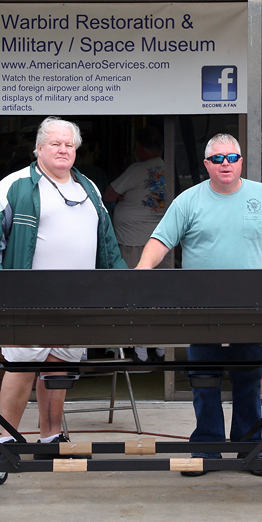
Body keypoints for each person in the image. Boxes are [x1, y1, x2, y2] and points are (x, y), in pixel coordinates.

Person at [136, 133, 262, 476]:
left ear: (241, 161)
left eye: (232, 158)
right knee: (203, 378)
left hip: (251, 307)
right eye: (218, 158)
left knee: (248, 379)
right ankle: (206, 447)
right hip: (201, 307)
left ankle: (250, 446)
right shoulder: (188, 201)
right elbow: (161, 239)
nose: (226, 164)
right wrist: (142, 271)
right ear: (207, 164)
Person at [0, 116, 127, 454]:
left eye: (69, 144)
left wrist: (121, 282)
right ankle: (4, 437)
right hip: (28, 298)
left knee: (60, 365)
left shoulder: (89, 188)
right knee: (21, 365)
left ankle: (51, 436)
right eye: (55, 143)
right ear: (38, 148)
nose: (62, 149)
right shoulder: (15, 185)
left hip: (78, 298)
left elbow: (107, 242)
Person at [104, 126, 170, 361]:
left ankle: (140, 348)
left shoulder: (137, 168)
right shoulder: (167, 168)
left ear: (140, 148)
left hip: (134, 243)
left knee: (135, 296)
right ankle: (161, 346)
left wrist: (121, 196)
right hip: (162, 245)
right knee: (160, 297)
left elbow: (108, 194)